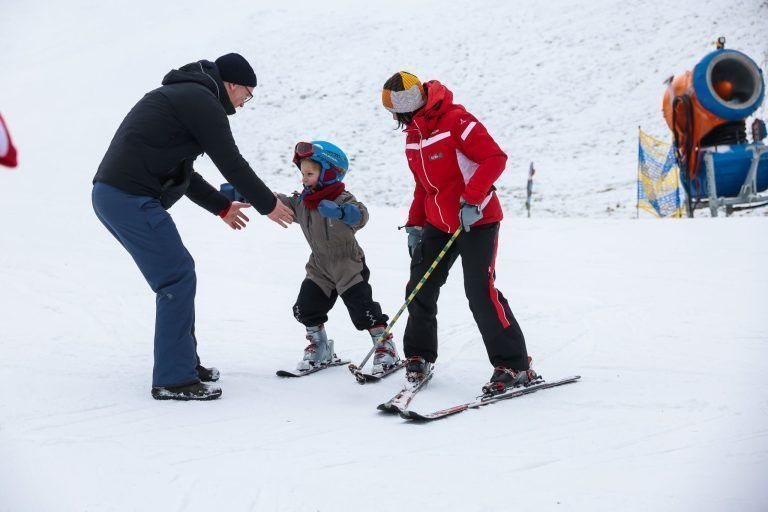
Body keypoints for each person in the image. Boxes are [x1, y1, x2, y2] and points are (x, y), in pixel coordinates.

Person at [92, 53, 294, 401]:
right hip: (128, 197)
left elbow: (184, 171)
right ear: (232, 84)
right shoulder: (201, 100)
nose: (244, 103)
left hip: (118, 195)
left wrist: (222, 206)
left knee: (177, 275)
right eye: (247, 95)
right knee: (176, 277)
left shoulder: (188, 95)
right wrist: (268, 204)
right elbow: (231, 162)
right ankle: (174, 378)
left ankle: (183, 363)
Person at [381, 71, 538, 395]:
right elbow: (424, 187)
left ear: (406, 107)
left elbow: (494, 158)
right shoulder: (414, 136)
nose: (393, 118)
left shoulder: (457, 121)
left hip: (476, 220)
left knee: (479, 291)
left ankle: (514, 364)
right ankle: (419, 355)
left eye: (394, 111)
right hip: (438, 223)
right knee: (419, 287)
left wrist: (473, 198)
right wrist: (415, 224)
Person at [276, 141, 399, 374]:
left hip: (347, 265)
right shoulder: (303, 202)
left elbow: (361, 216)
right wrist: (250, 194)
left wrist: (341, 212)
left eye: (310, 174)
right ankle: (320, 346)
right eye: (303, 174)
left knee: (364, 311)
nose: (304, 179)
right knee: (304, 308)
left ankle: (385, 347)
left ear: (328, 172)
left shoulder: (342, 199)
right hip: (319, 267)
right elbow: (279, 202)